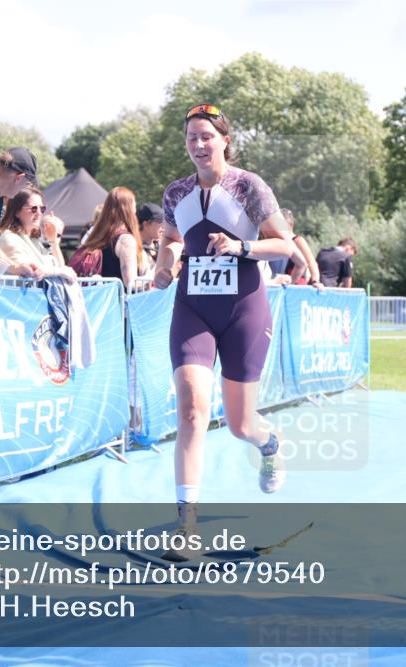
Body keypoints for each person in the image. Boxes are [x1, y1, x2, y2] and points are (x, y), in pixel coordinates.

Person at [152, 103, 295, 555]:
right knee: (192, 409)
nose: (198, 145)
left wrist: (241, 245)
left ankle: (269, 443)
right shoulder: (176, 192)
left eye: (206, 137)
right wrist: (163, 268)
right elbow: (172, 241)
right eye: (191, 137)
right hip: (193, 308)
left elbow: (284, 246)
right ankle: (187, 528)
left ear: (224, 140)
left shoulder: (248, 186)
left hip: (243, 310)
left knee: (238, 425)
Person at [68, 187, 145, 287]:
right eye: (134, 206)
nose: (135, 211)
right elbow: (130, 282)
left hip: (96, 299)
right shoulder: (126, 240)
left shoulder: (97, 236)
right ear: (129, 209)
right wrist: (151, 280)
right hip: (117, 300)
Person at [0, 187, 76, 283]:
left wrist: (53, 241)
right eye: (33, 209)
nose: (39, 213)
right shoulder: (9, 238)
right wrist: (61, 271)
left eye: (42, 209)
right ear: (17, 212)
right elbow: (32, 272)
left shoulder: (34, 241)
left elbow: (60, 266)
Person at [137, 203, 165, 272]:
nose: (163, 227)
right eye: (160, 222)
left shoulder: (159, 246)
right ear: (146, 224)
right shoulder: (133, 248)